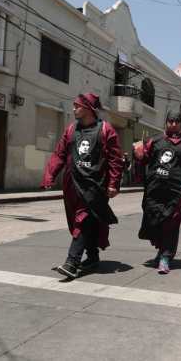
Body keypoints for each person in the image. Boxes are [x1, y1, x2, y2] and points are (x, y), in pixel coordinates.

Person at [41, 93, 123, 279]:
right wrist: (50, 175)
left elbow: (115, 160)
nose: (74, 109)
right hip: (72, 185)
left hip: (95, 186)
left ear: (89, 109)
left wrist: (113, 183)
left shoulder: (106, 130)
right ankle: (92, 257)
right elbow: (59, 154)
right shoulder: (71, 130)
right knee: (85, 222)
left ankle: (72, 262)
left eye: (77, 106)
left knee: (83, 220)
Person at [134, 110, 181, 274]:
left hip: (177, 191)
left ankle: (166, 256)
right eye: (170, 121)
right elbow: (143, 159)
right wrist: (138, 154)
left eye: (177, 121)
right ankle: (161, 250)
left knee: (171, 223)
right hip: (154, 189)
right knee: (154, 220)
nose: (173, 124)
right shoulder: (155, 140)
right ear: (166, 122)